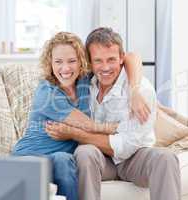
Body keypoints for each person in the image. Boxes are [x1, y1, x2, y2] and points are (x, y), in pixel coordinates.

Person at [46, 27, 181, 200]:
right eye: (98, 61)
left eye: (111, 59)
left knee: (166, 158)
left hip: (135, 157)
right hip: (101, 159)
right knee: (84, 153)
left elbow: (126, 146)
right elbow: (133, 57)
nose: (105, 67)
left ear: (121, 59)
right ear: (89, 62)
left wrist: (73, 134)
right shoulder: (86, 81)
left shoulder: (142, 91)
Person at [12, 31, 149, 200]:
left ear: (81, 62)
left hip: (61, 161)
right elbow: (91, 126)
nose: (66, 68)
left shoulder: (84, 80)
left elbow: (131, 57)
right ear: (50, 63)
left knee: (65, 160)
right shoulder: (47, 93)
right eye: (58, 62)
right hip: (30, 158)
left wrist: (134, 90)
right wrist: (118, 128)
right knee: (64, 159)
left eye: (72, 61)